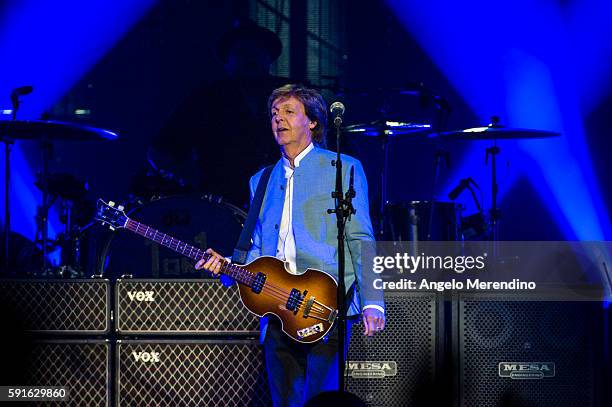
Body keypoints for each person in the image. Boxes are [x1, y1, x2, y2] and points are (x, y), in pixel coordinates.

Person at [196, 84, 385, 406]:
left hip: (326, 301)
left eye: (288, 112)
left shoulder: (343, 168)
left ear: (312, 121)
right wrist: (228, 264)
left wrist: (373, 300)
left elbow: (360, 237)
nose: (278, 120)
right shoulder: (262, 179)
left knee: (322, 400)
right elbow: (257, 248)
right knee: (283, 400)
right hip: (276, 305)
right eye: (273, 114)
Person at [148, 19, 291, 207]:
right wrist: (195, 186)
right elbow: (161, 150)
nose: (251, 58)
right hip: (221, 207)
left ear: (268, 59)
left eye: (258, 52)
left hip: (284, 203)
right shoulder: (206, 99)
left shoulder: (291, 98)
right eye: (242, 52)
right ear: (227, 61)